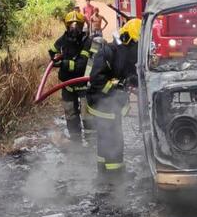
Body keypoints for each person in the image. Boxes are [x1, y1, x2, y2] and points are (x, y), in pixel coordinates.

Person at [86, 18, 141, 174]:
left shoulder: (125, 55)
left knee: (105, 139)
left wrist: (133, 81)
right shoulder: (107, 52)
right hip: (101, 103)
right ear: (127, 40)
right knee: (113, 139)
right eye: (136, 45)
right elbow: (96, 80)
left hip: (110, 104)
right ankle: (115, 175)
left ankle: (103, 172)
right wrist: (117, 87)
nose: (137, 50)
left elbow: (128, 74)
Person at [49, 11, 92, 141]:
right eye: (71, 25)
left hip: (83, 84)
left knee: (87, 115)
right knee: (70, 114)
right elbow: (52, 52)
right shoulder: (62, 41)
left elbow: (82, 65)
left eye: (78, 25)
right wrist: (54, 58)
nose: (74, 28)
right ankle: (76, 143)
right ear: (66, 26)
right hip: (67, 85)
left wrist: (64, 63)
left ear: (82, 26)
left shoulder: (87, 42)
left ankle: (91, 142)